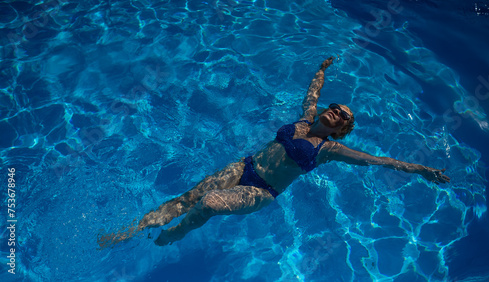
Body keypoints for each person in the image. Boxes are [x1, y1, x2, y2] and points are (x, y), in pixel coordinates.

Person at [98, 56, 450, 248]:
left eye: (343, 116)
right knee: (188, 197)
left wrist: (421, 169)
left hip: (261, 190)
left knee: (207, 204)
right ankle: (128, 233)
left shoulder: (330, 149)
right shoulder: (303, 120)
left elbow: (379, 161)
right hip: (243, 166)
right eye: (336, 108)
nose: (336, 113)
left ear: (341, 128)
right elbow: (311, 93)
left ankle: (173, 236)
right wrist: (322, 71)